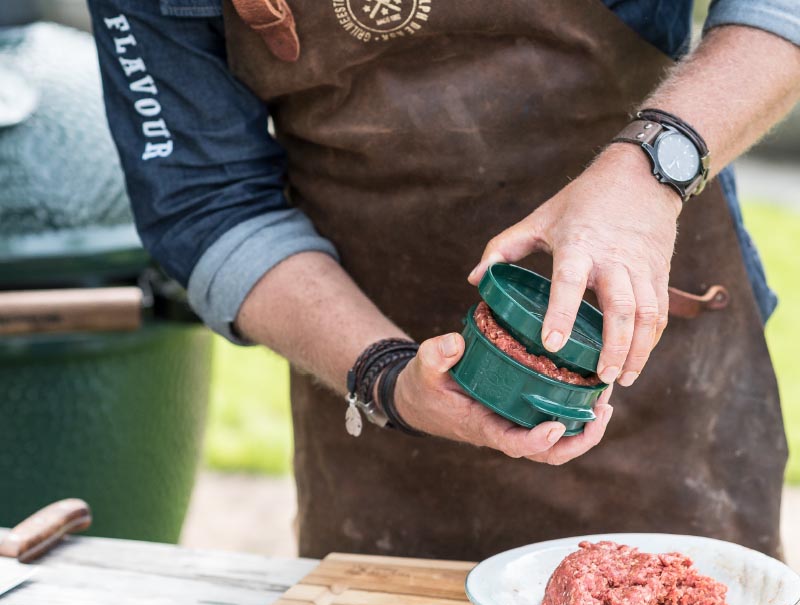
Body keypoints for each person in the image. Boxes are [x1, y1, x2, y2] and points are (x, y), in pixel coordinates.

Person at [87, 0, 799, 560]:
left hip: (656, 387)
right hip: (377, 385)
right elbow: (209, 201)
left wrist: (652, 167)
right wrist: (385, 376)